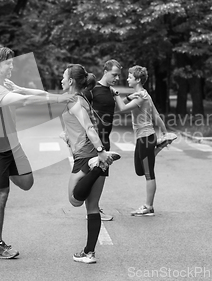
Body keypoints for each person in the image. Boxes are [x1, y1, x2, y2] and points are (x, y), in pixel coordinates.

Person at [0, 45, 74, 260]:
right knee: (1, 195)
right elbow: (24, 100)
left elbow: (28, 93)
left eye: (13, 61)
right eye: (8, 62)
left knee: (27, 182)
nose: (12, 65)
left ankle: (1, 178)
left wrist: (58, 96)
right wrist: (58, 100)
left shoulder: (4, 84)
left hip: (12, 146)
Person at [61, 63, 121, 264]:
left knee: (74, 199)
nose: (61, 80)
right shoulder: (83, 99)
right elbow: (81, 126)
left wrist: (100, 152)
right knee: (92, 206)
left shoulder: (73, 101)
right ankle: (89, 253)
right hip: (96, 154)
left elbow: (87, 126)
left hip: (88, 155)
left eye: (63, 77)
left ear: (70, 81)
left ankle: (97, 167)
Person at [113, 65, 177, 217]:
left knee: (148, 173)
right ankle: (160, 144)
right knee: (139, 170)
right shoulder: (143, 94)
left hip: (146, 138)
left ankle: (148, 206)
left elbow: (120, 108)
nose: (127, 78)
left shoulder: (141, 96)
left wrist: (115, 94)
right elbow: (156, 115)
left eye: (130, 76)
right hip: (145, 138)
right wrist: (164, 131)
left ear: (138, 79)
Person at [81, 60, 123, 222]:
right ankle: (93, 211)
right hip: (95, 141)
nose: (117, 78)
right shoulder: (92, 90)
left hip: (105, 138)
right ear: (105, 71)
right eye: (114, 74)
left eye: (118, 75)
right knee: (96, 175)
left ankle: (94, 208)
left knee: (100, 175)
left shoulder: (109, 91)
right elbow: (78, 109)